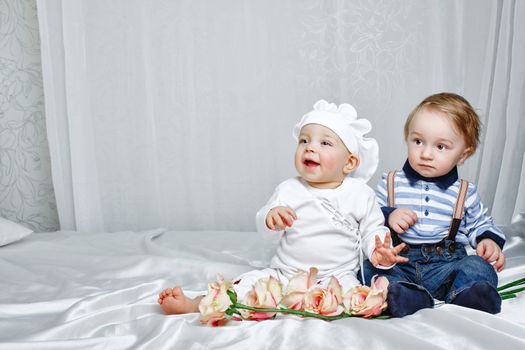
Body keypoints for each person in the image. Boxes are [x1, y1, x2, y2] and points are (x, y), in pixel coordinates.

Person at [158, 99, 407, 315]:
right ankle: (198, 303)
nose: (310, 147)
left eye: (325, 143)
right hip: (286, 273)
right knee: (248, 287)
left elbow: (372, 230)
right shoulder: (289, 189)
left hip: (338, 275)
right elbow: (267, 229)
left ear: (350, 162)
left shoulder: (360, 194)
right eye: (304, 140)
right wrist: (270, 218)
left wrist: (378, 250)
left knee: (358, 299)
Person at [360, 92, 506, 317]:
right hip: (402, 263)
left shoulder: (463, 191)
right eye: (418, 141)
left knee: (477, 266)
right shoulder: (391, 182)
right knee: (369, 266)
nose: (426, 154)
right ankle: (408, 295)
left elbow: (479, 223)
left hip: (446, 266)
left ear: (462, 155)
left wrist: (487, 240)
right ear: (407, 138)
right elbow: (368, 215)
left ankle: (466, 295)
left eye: (441, 147)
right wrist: (389, 215)